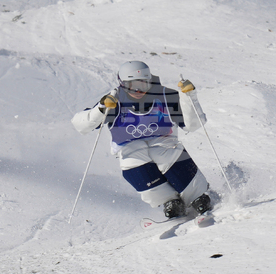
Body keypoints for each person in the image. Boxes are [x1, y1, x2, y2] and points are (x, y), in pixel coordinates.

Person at [72, 60, 212, 219]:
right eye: (131, 86)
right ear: (122, 84)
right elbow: (80, 125)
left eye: (143, 84)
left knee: (165, 153)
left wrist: (188, 97)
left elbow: (193, 125)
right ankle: (170, 201)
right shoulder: (115, 100)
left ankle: (198, 195)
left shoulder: (165, 96)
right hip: (129, 146)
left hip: (164, 141)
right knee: (133, 161)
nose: (138, 90)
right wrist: (101, 109)